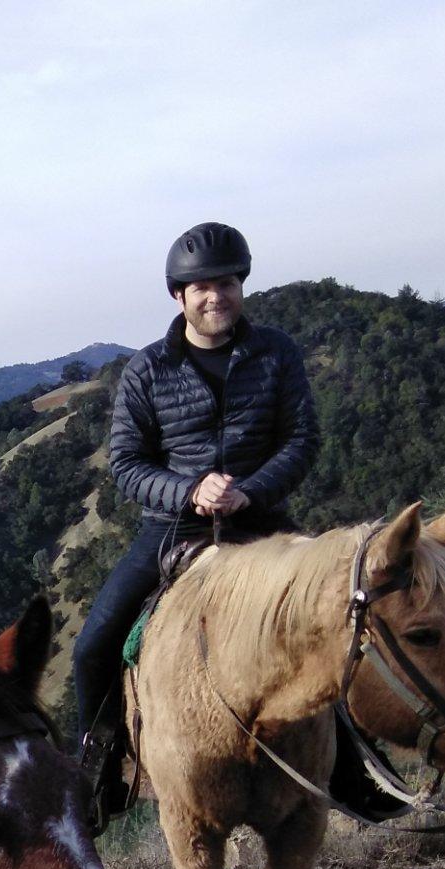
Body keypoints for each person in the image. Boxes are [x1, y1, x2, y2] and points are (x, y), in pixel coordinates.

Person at [73, 222, 325, 823]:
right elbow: (126, 464)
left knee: (339, 613)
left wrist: (250, 491)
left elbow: (301, 439)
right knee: (93, 644)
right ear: (178, 295)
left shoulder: (276, 354)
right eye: (202, 287)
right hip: (172, 527)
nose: (216, 296)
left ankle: (353, 763)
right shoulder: (148, 370)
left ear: (241, 286)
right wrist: (189, 491)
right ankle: (100, 768)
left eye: (227, 283)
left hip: (261, 519)